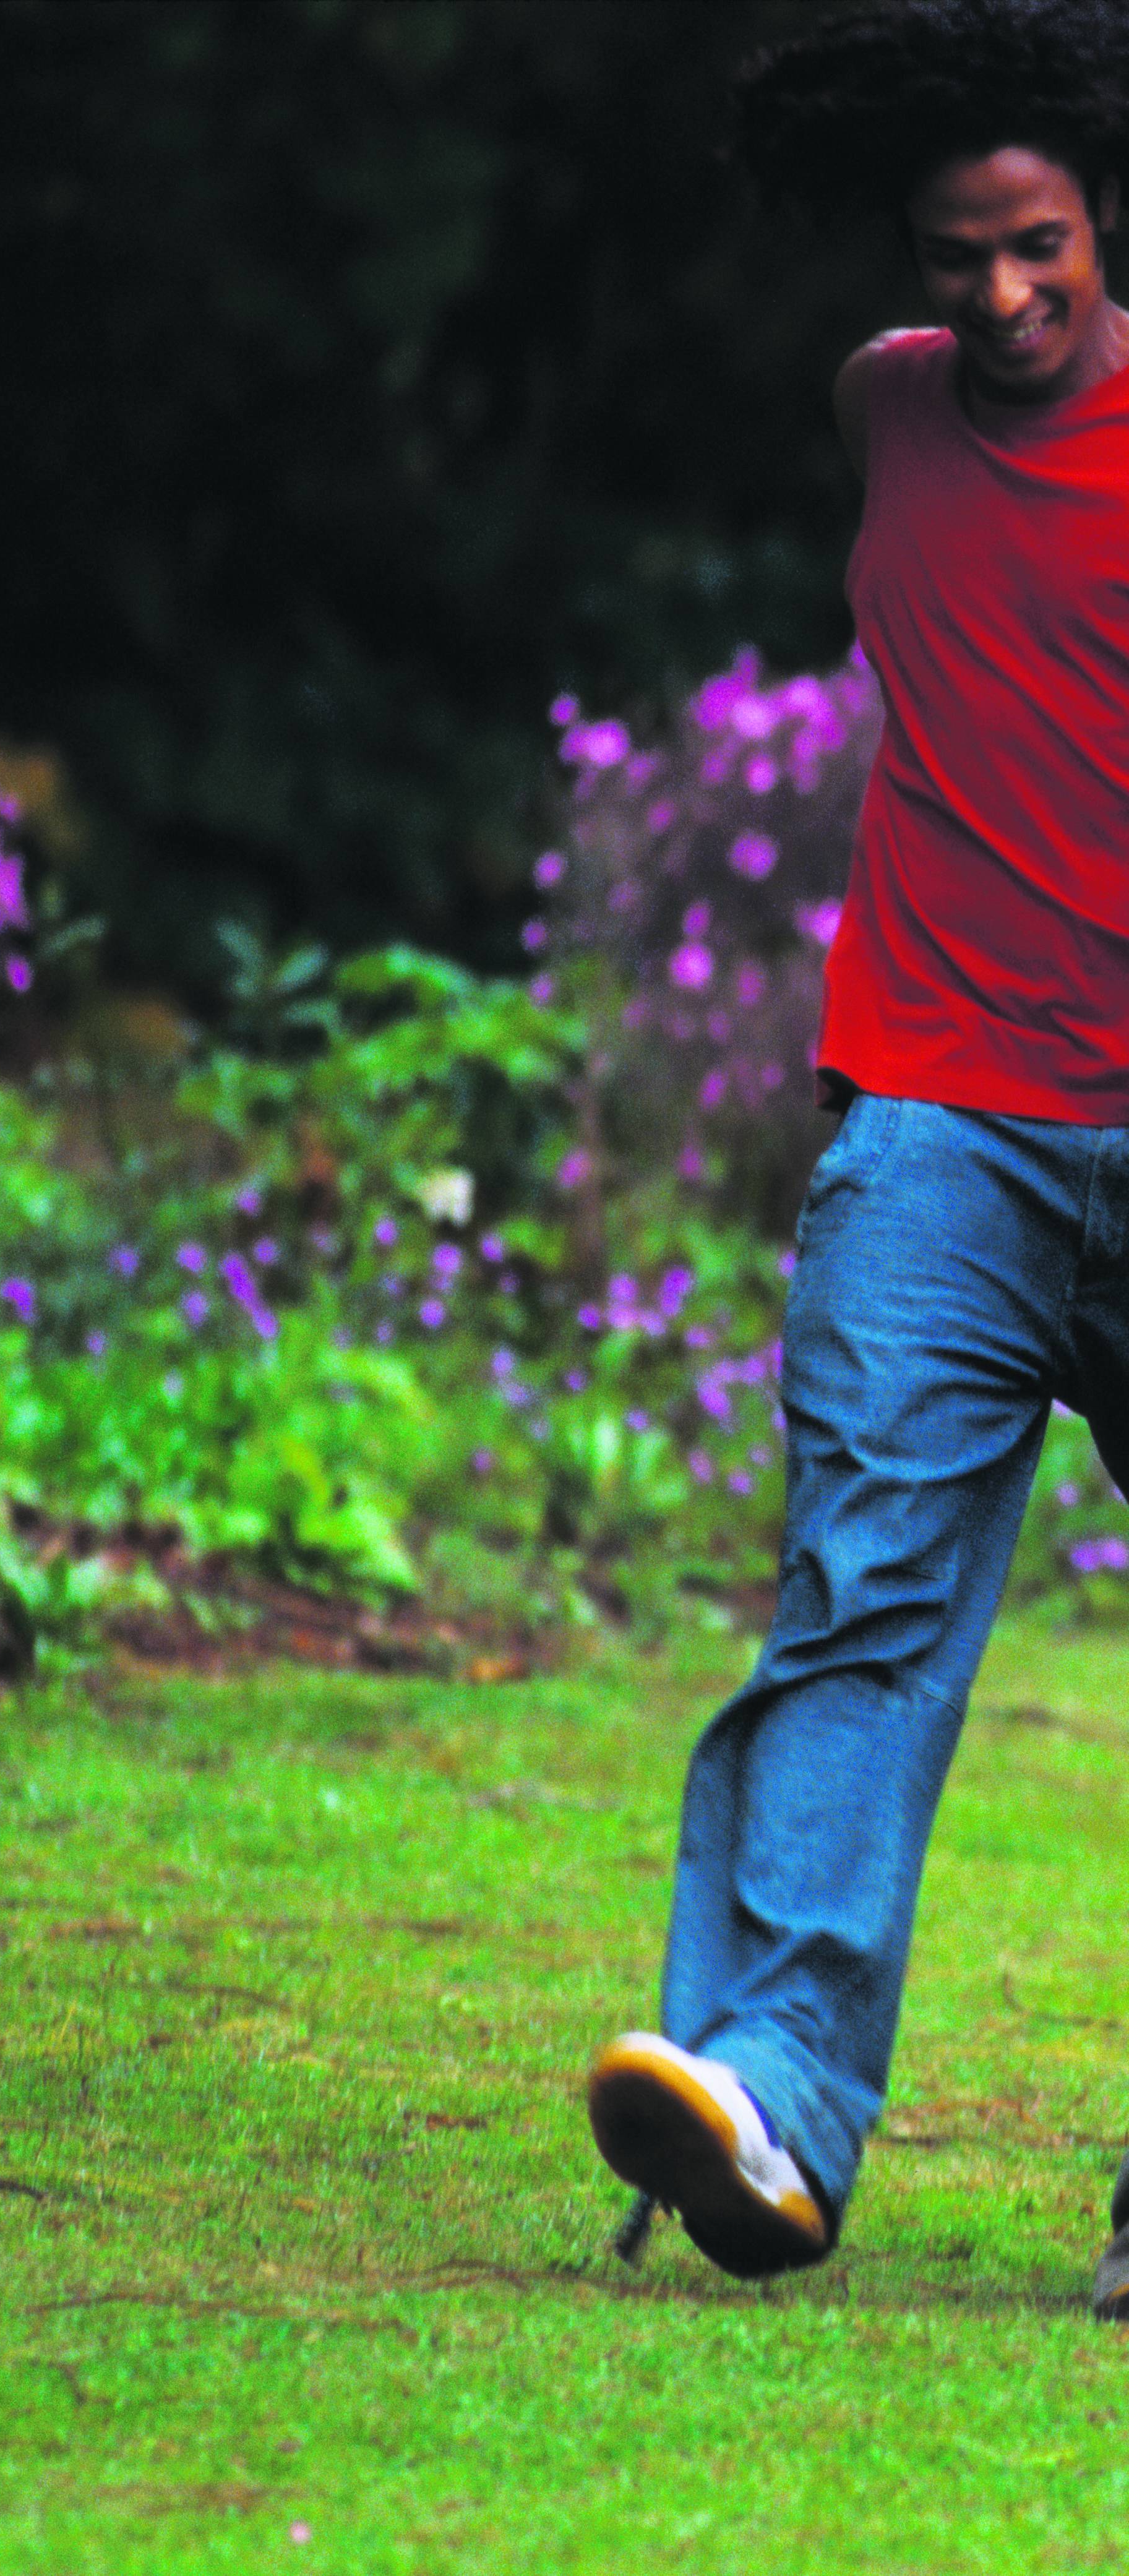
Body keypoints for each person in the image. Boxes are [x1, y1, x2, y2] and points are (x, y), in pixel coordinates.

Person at [586, 0, 1129, 2322]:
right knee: (865, 1599)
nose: (1001, 299)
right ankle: (777, 2106)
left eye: (1045, 251)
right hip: (934, 1118)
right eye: (958, 255)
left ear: (1107, 222)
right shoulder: (881, 403)